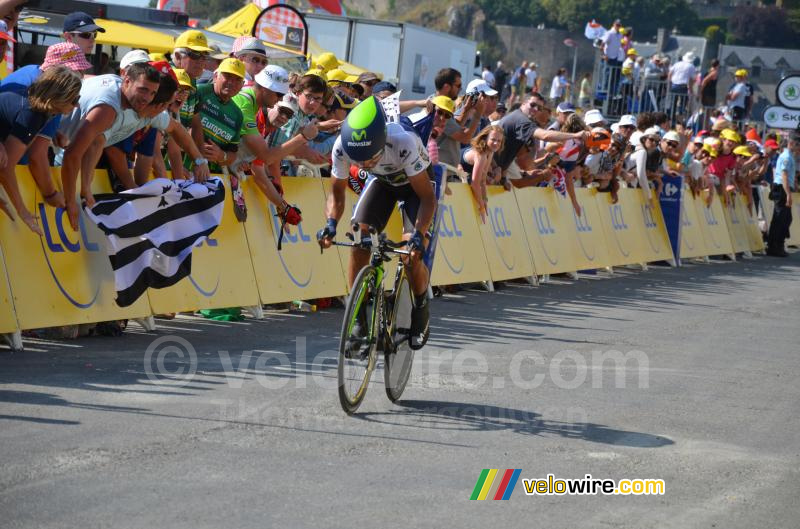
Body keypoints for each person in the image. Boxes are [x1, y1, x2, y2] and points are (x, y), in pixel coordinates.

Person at [318, 96, 436, 348]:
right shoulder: (342, 146)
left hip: (416, 187)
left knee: (409, 254)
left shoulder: (402, 142)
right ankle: (359, 317)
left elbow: (427, 198)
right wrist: (330, 224)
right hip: (384, 184)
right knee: (358, 239)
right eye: (358, 158)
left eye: (370, 157)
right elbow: (337, 195)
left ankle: (421, 307)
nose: (363, 164)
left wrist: (418, 234)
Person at [0, 42, 92, 208]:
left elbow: (14, 117)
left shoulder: (30, 71)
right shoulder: (55, 94)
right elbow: (37, 155)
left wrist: (52, 131)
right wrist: (50, 194)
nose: (82, 75)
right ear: (59, 71)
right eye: (78, 70)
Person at [0, 66, 82, 234]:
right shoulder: (32, 114)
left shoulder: (36, 108)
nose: (77, 105)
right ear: (60, 96)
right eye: (74, 99)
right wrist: (23, 211)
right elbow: (5, 168)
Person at [460, 125, 504, 221]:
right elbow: (475, 184)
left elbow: (483, 180)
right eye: (493, 139)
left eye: (499, 141)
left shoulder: (490, 152)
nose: (496, 143)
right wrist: (481, 206)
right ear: (485, 139)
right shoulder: (481, 156)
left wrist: (484, 200)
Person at [171, 30, 213, 127]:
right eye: (195, 54)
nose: (201, 61)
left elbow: (196, 123)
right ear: (178, 56)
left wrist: (197, 143)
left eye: (204, 55)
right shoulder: (166, 77)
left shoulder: (192, 79)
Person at [766, 134, 798, 257]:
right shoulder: (786, 156)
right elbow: (783, 176)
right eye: (797, 144)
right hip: (781, 188)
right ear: (791, 144)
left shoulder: (790, 156)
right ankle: (773, 246)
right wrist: (788, 194)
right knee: (779, 218)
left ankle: (779, 243)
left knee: (786, 219)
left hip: (785, 188)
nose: (798, 147)